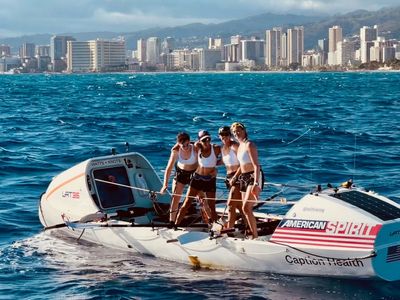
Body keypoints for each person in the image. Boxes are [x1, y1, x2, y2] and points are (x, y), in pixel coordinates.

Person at [175, 130, 221, 225]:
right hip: (197, 178)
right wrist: (176, 146)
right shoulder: (197, 147)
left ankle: (216, 228)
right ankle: (175, 225)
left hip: (210, 179)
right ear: (200, 141)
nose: (207, 142)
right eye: (204, 140)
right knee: (187, 203)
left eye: (209, 139)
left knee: (211, 206)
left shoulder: (215, 148)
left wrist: (216, 168)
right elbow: (184, 144)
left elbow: (227, 156)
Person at [230, 122, 263, 239]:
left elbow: (256, 166)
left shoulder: (249, 145)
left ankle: (255, 236)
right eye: (234, 132)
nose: (236, 133)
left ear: (244, 131)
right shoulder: (240, 147)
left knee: (246, 207)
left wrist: (256, 183)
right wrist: (235, 176)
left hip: (253, 177)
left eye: (239, 130)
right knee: (246, 209)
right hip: (243, 178)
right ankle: (252, 232)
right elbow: (242, 165)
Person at [160, 132, 198, 223]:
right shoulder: (176, 151)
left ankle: (209, 220)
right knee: (175, 197)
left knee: (201, 197)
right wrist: (165, 185)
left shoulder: (195, 148)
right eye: (183, 145)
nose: (185, 147)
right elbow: (169, 168)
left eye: (187, 145)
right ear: (178, 144)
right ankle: (172, 222)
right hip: (181, 174)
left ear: (189, 142)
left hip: (194, 174)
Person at [218, 126, 243, 229]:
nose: (225, 137)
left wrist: (235, 177)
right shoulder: (222, 148)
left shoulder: (235, 146)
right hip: (229, 178)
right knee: (239, 206)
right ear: (219, 136)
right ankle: (249, 226)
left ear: (230, 135)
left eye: (227, 135)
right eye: (222, 135)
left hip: (238, 177)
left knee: (230, 205)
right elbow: (223, 162)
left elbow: (243, 163)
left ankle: (229, 229)